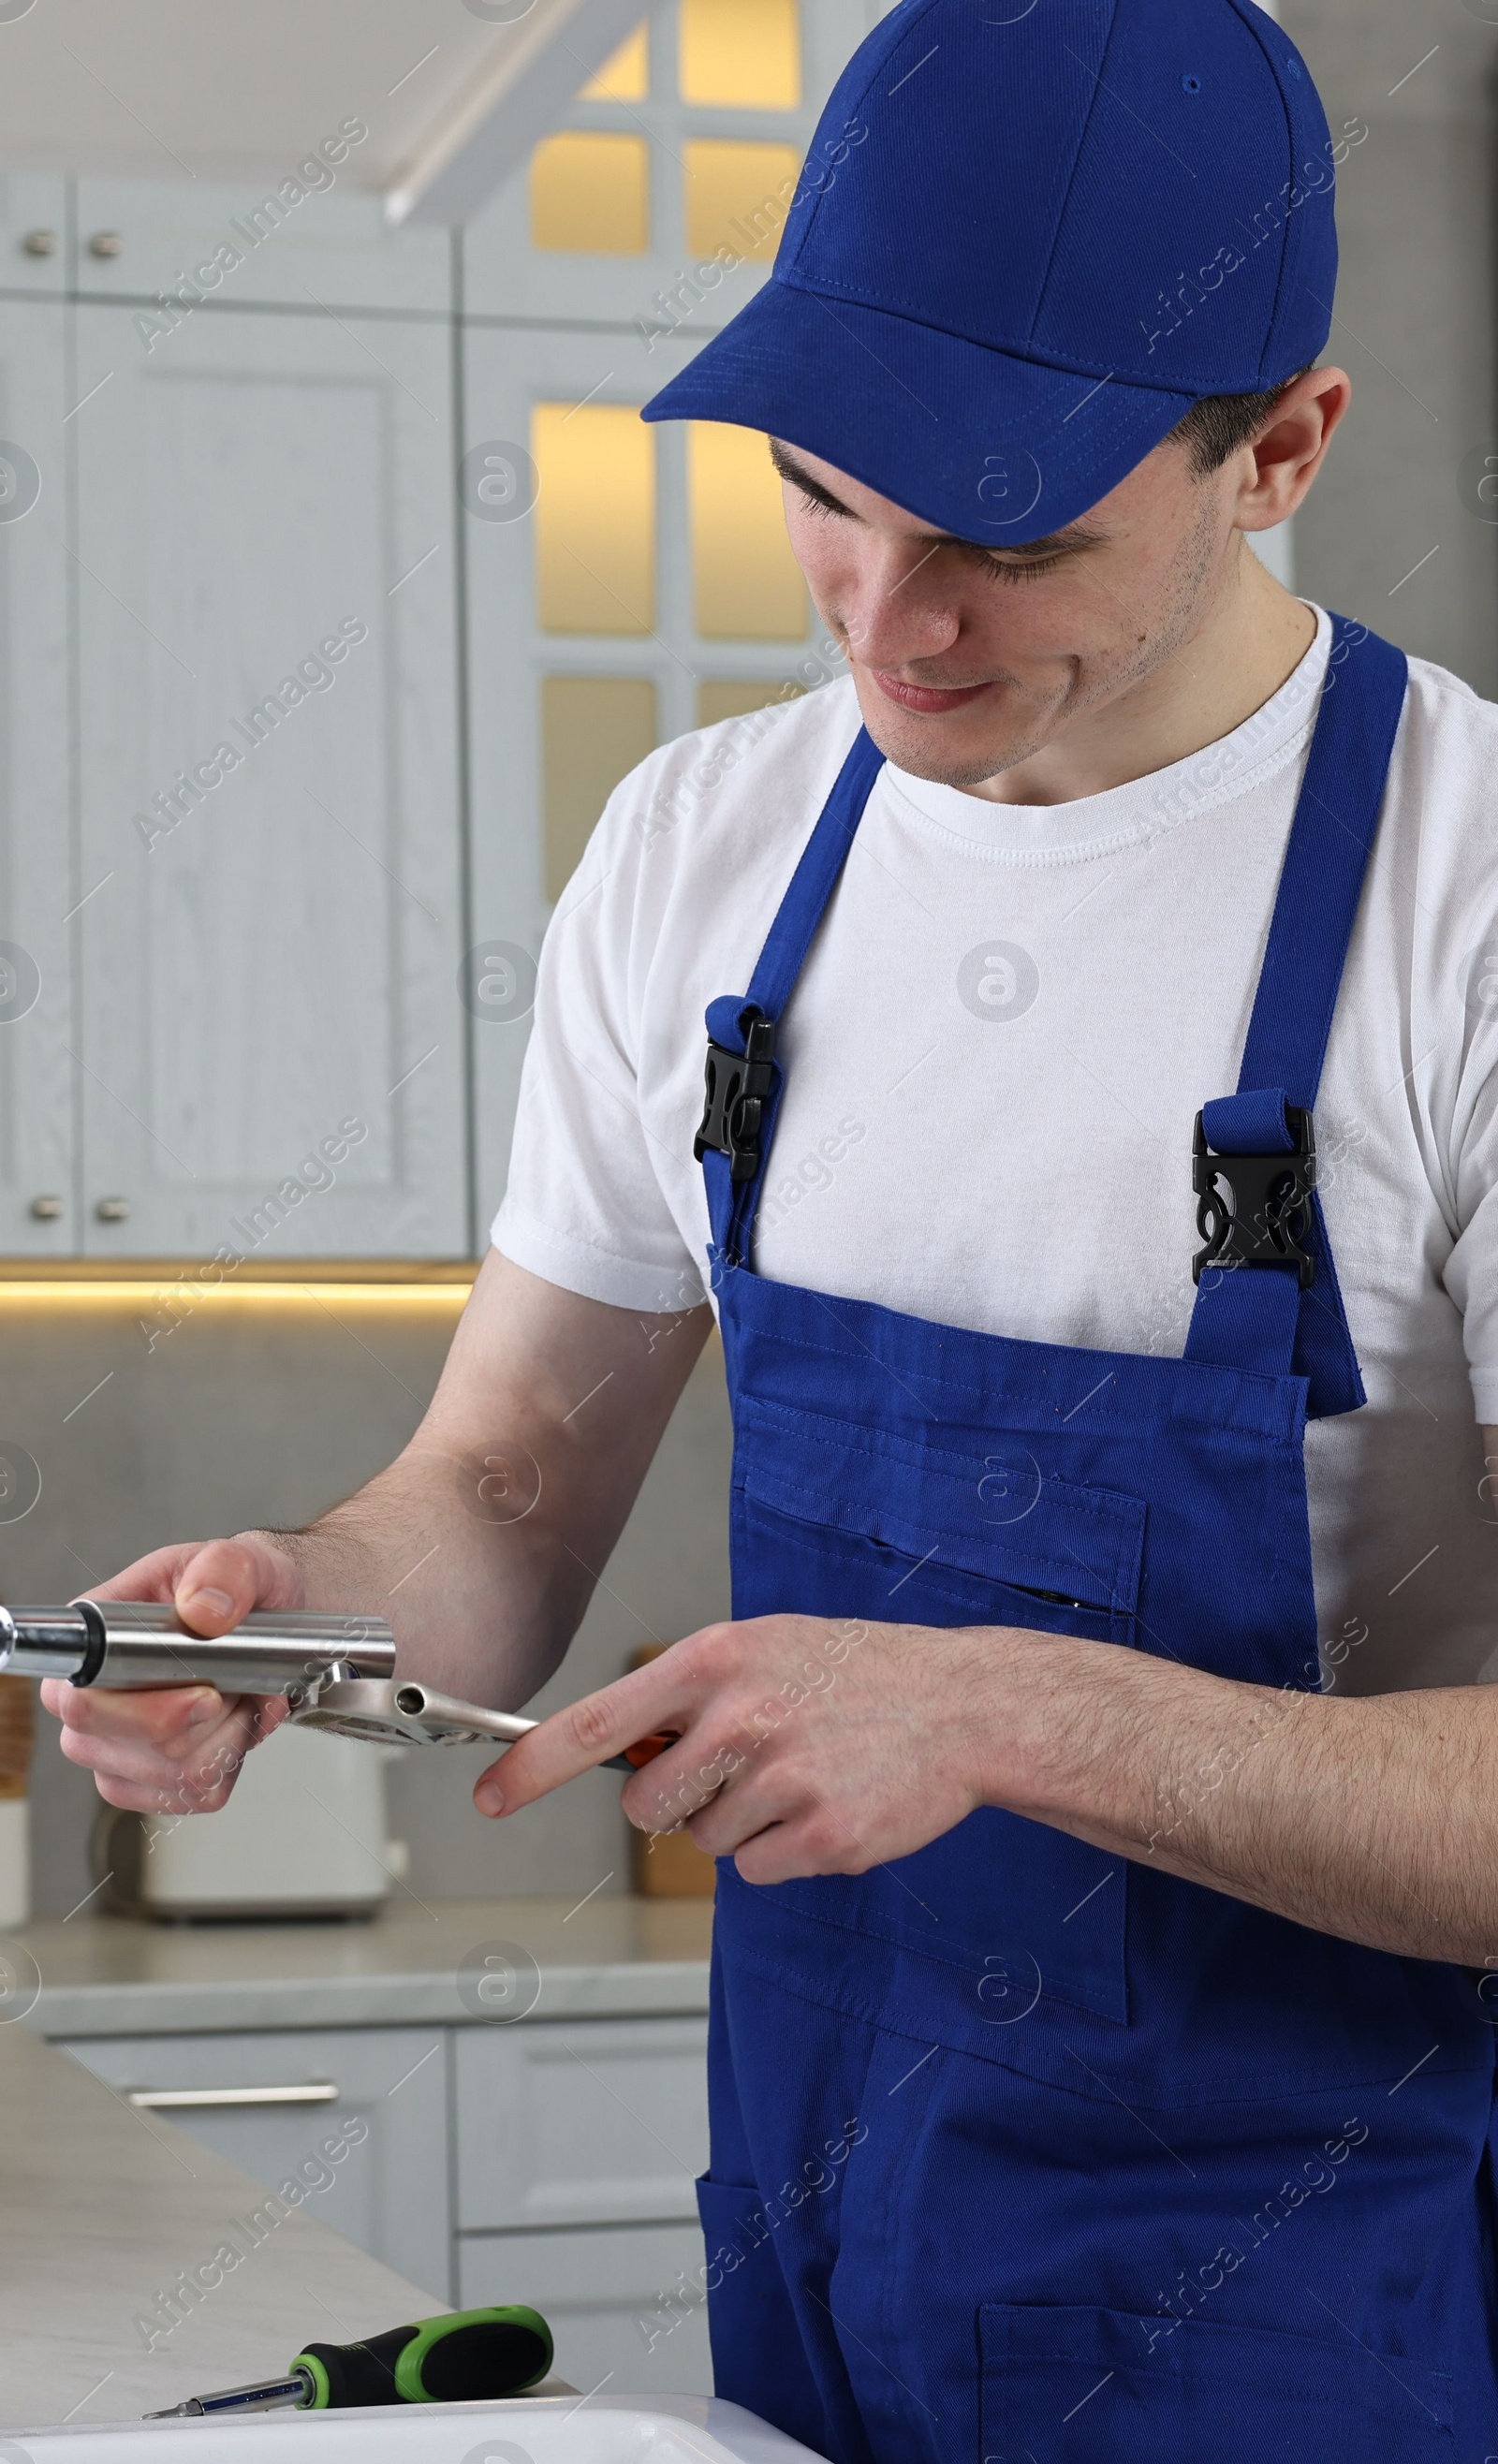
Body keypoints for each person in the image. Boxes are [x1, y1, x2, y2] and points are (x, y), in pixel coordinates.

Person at [46, 0, 1498, 2452]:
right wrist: (295, 1614)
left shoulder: (1455, 899)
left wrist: (1015, 1717)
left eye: (1008, 535)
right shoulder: (707, 860)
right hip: (819, 2275)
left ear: (1284, 450)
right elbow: (505, 1492)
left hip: (1316, 2324)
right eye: (830, 495)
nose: (888, 626)